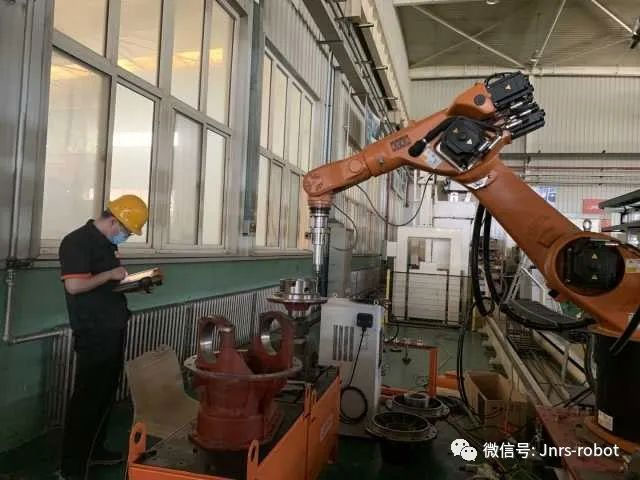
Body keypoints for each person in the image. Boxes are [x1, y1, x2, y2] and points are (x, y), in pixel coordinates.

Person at [56, 195, 149, 480]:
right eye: (127, 231)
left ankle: (96, 451)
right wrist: (110, 274)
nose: (126, 237)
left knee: (106, 393)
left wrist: (135, 284)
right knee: (88, 398)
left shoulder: (107, 244)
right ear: (114, 221)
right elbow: (74, 286)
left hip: (112, 327)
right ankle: (72, 467)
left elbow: (105, 286)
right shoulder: (76, 242)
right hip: (94, 331)